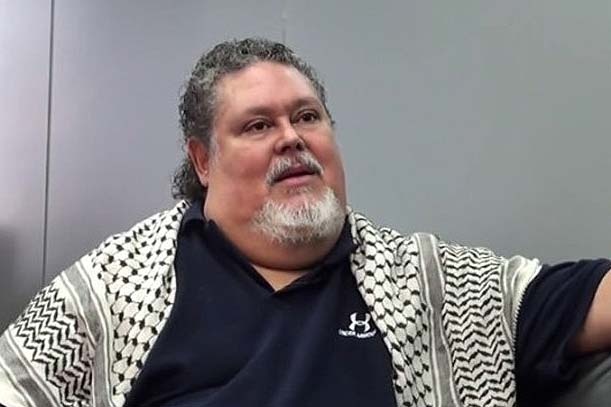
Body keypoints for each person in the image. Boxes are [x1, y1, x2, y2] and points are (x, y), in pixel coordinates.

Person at [0, 37, 609, 407]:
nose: (291, 138)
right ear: (203, 161)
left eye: (308, 117)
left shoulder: (425, 282)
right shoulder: (120, 286)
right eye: (258, 125)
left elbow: (590, 299)